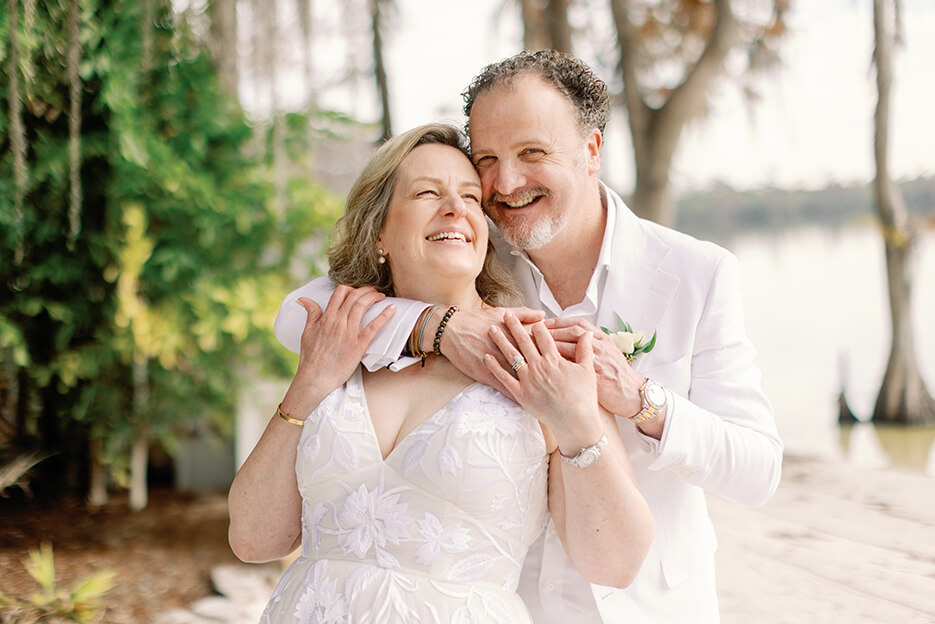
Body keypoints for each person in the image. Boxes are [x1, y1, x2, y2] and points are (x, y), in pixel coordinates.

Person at [274, 51, 783, 623]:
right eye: (487, 159)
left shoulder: (696, 273)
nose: (506, 183)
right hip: (514, 602)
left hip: (651, 605)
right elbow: (301, 312)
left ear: (591, 151)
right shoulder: (471, 252)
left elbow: (757, 469)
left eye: (532, 153)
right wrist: (438, 327)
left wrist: (643, 400)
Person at [229, 123, 654, 623]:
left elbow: (618, 563)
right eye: (428, 192)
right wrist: (308, 386)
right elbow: (254, 538)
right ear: (379, 231)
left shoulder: (537, 354)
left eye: (472, 197)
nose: (455, 208)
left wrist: (577, 420)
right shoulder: (342, 344)